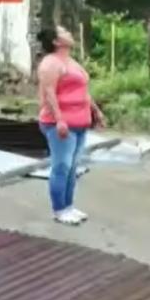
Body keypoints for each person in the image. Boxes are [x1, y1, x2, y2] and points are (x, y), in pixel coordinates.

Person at [37, 26, 105, 226]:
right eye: (64, 32)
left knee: (73, 167)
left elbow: (84, 91)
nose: (69, 34)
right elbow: (49, 93)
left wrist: (96, 111)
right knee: (61, 166)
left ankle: (68, 206)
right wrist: (59, 119)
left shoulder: (71, 62)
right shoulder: (50, 63)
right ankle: (59, 209)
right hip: (60, 123)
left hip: (80, 121)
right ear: (56, 41)